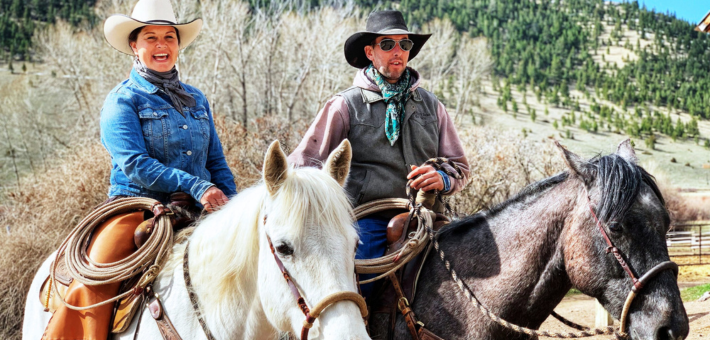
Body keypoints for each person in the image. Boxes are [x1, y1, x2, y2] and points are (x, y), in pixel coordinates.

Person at [42, 0, 236, 338]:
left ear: (178, 45)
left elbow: (215, 161)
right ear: (134, 45)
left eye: (169, 37)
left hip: (197, 207)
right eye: (151, 37)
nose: (162, 46)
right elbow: (135, 165)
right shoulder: (122, 100)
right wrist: (198, 186)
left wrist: (233, 202)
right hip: (137, 207)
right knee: (95, 284)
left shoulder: (197, 99)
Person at [288, 10, 470, 297]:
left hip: (428, 213)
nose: (397, 52)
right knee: (364, 291)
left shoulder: (432, 105)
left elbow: (459, 165)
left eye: (404, 44)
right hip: (368, 219)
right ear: (370, 52)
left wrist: (442, 178)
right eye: (387, 45)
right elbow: (304, 165)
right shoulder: (345, 105)